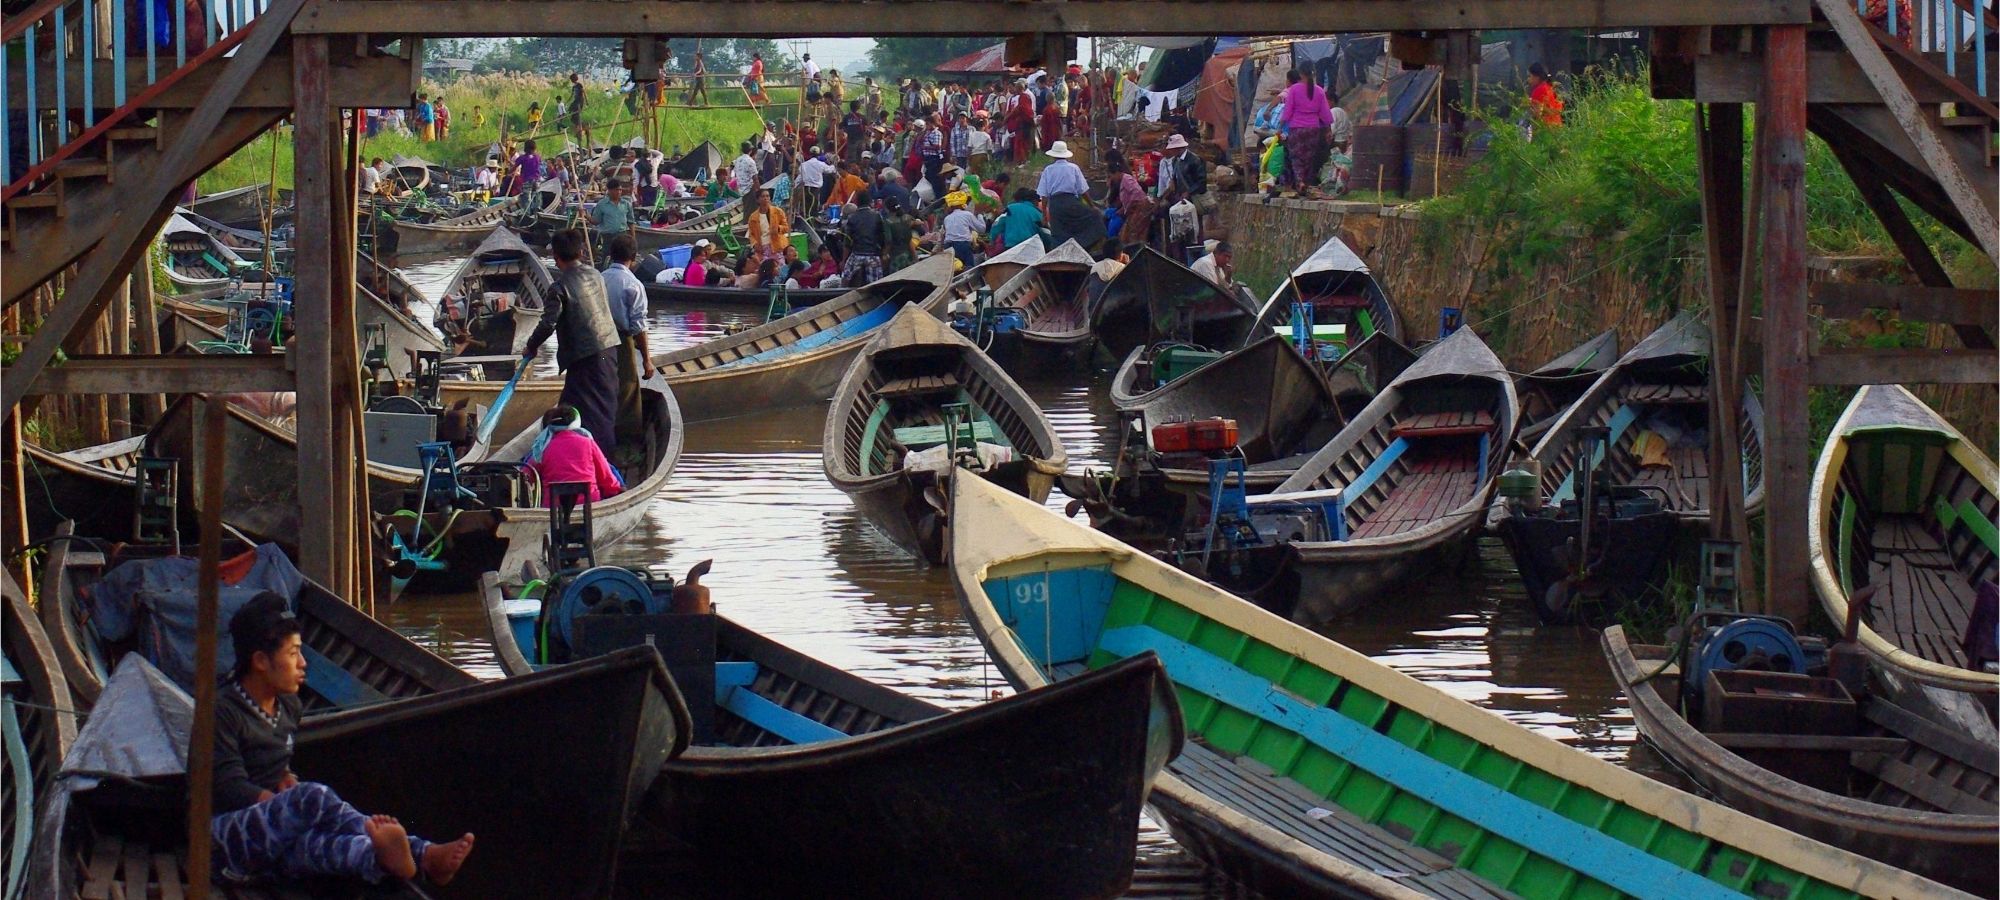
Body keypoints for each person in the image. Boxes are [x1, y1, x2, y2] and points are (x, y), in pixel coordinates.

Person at [210, 595, 475, 887]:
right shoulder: (224, 710)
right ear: (260, 660)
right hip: (221, 841)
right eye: (293, 653)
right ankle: (419, 848)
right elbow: (226, 785)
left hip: (272, 842)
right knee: (312, 797)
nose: (303, 663)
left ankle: (415, 859)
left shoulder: (288, 706)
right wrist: (284, 806)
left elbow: (273, 759)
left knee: (321, 847)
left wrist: (284, 776)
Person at [521, 229, 622, 455]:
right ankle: (585, 454)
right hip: (608, 348)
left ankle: (598, 458)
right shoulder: (596, 274)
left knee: (590, 411)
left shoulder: (558, 287)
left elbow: (548, 324)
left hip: (585, 356)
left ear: (556, 257)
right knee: (597, 406)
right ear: (581, 252)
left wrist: (531, 346)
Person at [600, 235, 654, 431]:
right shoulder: (633, 284)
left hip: (598, 340)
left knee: (603, 385)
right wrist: (647, 359)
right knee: (628, 388)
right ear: (633, 256)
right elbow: (638, 325)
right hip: (621, 340)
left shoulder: (599, 278)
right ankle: (625, 437)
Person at [527, 406, 624, 504]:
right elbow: (607, 477)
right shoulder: (588, 443)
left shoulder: (542, 448)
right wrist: (616, 492)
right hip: (590, 504)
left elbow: (526, 475)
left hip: (553, 508)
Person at [1037, 140, 1105, 254]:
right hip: (1071, 203)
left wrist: (1044, 214)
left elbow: (1044, 195)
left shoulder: (1048, 170)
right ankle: (1083, 247)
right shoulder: (1073, 168)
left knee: (1058, 233)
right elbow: (1083, 190)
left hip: (1055, 206)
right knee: (1094, 216)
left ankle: (1060, 256)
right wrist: (1092, 206)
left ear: (1053, 156)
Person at [1281, 70, 1335, 198]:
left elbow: (1288, 111)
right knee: (1308, 157)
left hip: (1297, 129)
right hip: (1313, 129)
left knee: (1296, 157)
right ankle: (1306, 183)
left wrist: (1280, 126)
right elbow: (1325, 114)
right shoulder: (1319, 91)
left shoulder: (1294, 89)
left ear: (1301, 75)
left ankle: (1299, 182)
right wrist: (1328, 130)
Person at [840, 189, 888, 286]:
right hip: (873, 256)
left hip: (857, 255)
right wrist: (883, 255)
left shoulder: (852, 217)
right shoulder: (877, 216)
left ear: (857, 202)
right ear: (870, 202)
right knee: (876, 286)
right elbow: (883, 238)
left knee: (845, 281)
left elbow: (847, 243)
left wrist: (844, 261)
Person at [745, 188, 791, 263]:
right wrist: (754, 244)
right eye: (763, 196)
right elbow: (751, 234)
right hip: (762, 248)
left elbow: (786, 227)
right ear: (758, 200)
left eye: (767, 196)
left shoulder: (778, 211)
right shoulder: (753, 217)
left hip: (777, 246)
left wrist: (778, 228)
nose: (766, 198)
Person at [589, 179, 636, 250]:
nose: (619, 192)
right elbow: (596, 221)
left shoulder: (626, 204)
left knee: (621, 257)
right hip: (608, 236)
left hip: (622, 235)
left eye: (620, 190)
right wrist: (586, 215)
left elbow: (631, 222)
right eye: (617, 190)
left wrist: (633, 238)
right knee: (607, 256)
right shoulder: (602, 204)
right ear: (610, 191)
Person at [940, 194, 985, 269]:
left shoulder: (947, 218)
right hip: (962, 245)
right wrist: (979, 214)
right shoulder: (967, 215)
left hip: (948, 247)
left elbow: (943, 234)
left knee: (951, 269)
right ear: (962, 205)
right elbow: (982, 229)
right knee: (968, 268)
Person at [882, 199, 919, 273]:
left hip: (896, 258)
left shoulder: (888, 222)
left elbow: (889, 241)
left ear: (887, 208)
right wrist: (915, 256)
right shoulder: (905, 219)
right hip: (908, 257)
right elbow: (909, 240)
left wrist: (885, 254)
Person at [1004, 81, 1035, 165]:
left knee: (1021, 143)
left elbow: (1020, 109)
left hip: (1023, 123)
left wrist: (1008, 117)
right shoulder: (1026, 96)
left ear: (1019, 88)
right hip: (1026, 122)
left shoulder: (1023, 97)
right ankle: (1023, 160)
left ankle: (1022, 161)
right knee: (1023, 142)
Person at [1528, 63, 1564, 129]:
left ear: (1537, 77)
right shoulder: (1550, 87)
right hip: (1556, 128)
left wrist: (1527, 105)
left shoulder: (1539, 90)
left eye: (1529, 76)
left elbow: (1536, 115)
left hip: (1545, 130)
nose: (1528, 79)